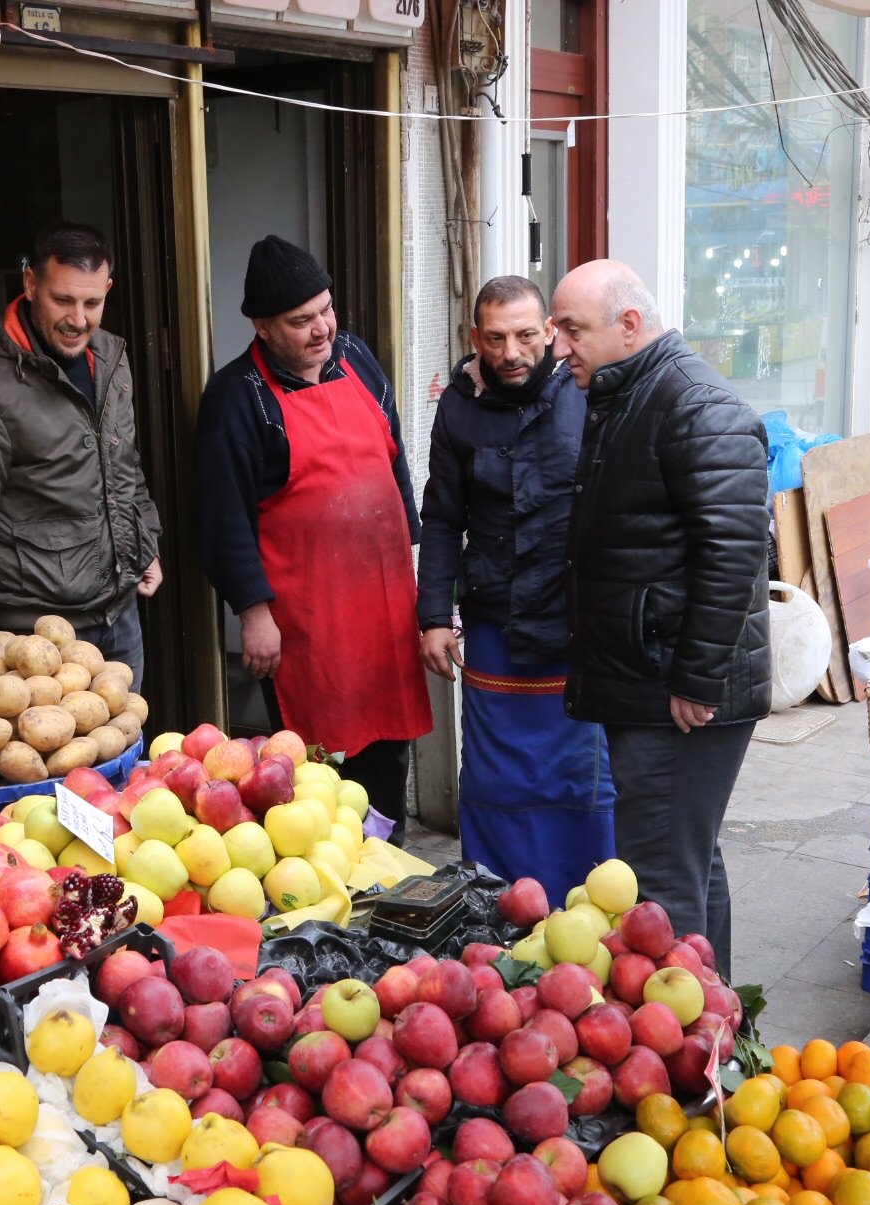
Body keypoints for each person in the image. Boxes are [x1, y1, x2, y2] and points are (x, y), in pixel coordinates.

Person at [550, 259, 770, 974]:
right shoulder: (629, 392)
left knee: (664, 882)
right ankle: (724, 1039)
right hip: (653, 679)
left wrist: (697, 679)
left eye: (572, 329)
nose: (559, 347)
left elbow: (737, 552)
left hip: (673, 693)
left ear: (630, 326)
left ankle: (689, 1067)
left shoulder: (695, 406)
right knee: (689, 864)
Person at [195, 235, 432, 840]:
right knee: (320, 768)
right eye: (302, 321)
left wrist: (414, 559)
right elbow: (223, 516)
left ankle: (392, 854)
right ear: (263, 326)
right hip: (305, 621)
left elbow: (393, 454)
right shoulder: (236, 398)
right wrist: (253, 612)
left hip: (381, 602)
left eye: (326, 309)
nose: (322, 328)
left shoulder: (356, 357)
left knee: (391, 746)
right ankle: (332, 879)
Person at [417, 276, 614, 897]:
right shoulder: (458, 407)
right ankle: (498, 911)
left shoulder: (589, 392)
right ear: (475, 338)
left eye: (527, 335)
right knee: (497, 779)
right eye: (496, 338)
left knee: (579, 779)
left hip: (576, 625)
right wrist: (432, 615)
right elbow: (443, 519)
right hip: (494, 620)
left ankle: (590, 905)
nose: (512, 352)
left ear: (550, 332)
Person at [0, 223, 162, 685]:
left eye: (92, 303)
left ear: (107, 289)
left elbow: (123, 462)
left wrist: (143, 545)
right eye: (62, 300)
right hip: (37, 637)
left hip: (121, 613)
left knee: (129, 753)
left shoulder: (108, 357)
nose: (78, 319)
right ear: (30, 285)